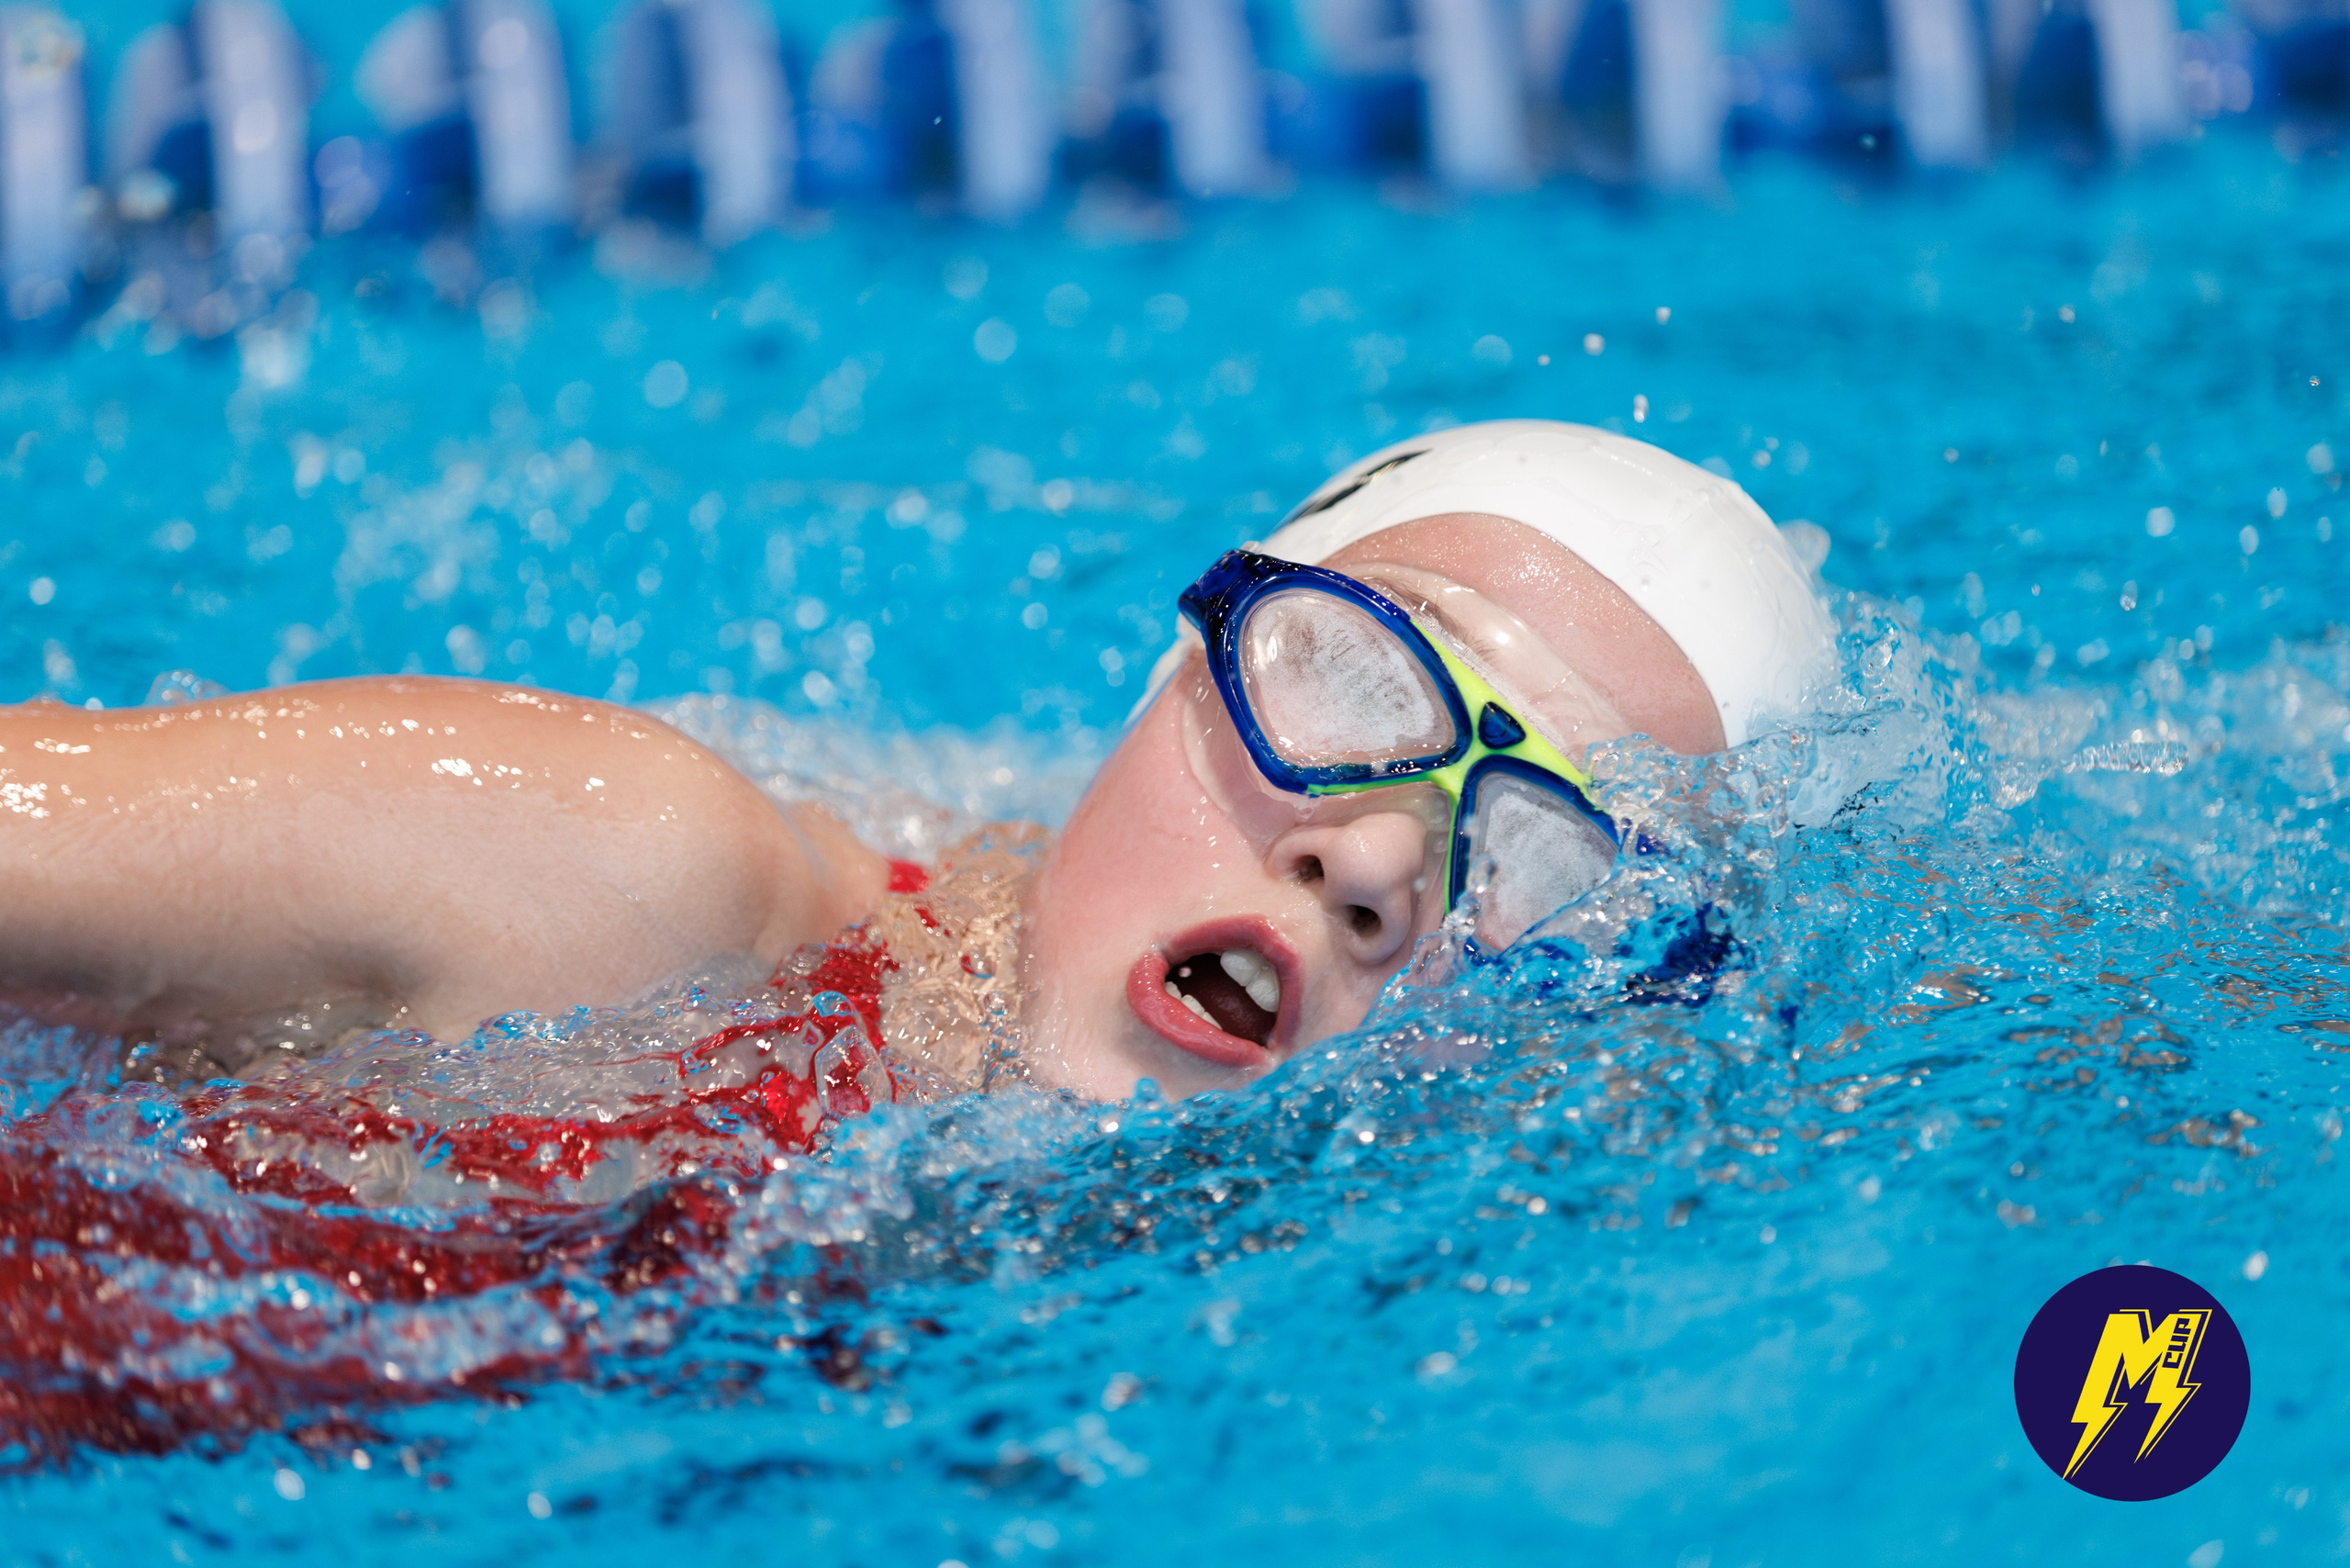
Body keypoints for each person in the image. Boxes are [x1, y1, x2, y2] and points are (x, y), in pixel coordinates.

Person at [0, 420, 1831, 1107]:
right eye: (1353, 681)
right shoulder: (625, 882)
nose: (1373, 863)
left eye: (1531, 854)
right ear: (1166, 670)